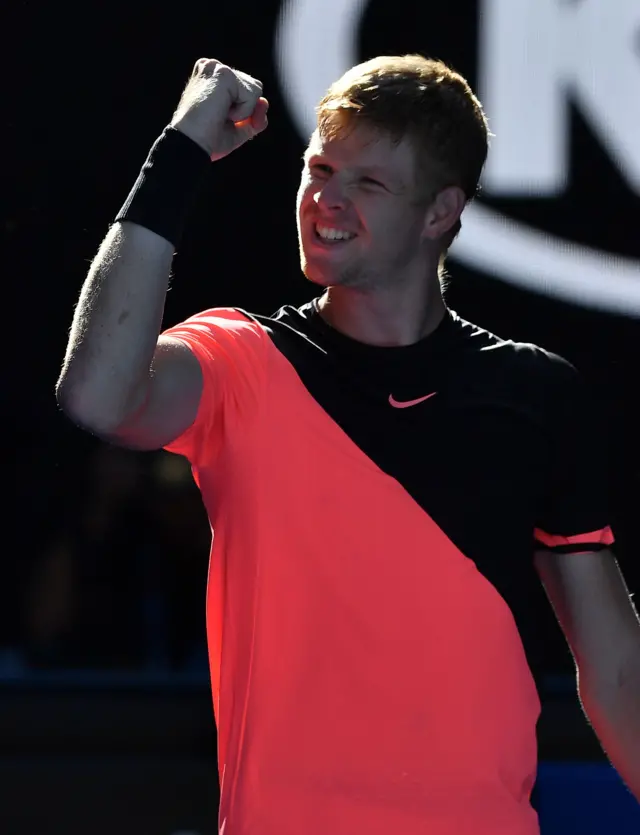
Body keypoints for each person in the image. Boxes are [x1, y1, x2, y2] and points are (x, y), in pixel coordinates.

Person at [56, 55, 640, 835]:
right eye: (320, 168)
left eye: (367, 182)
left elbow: (618, 672)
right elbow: (95, 393)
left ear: (441, 211)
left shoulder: (535, 393)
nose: (326, 199)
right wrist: (180, 151)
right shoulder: (241, 361)